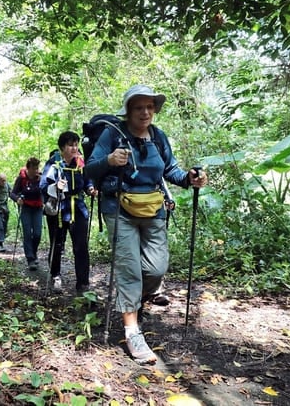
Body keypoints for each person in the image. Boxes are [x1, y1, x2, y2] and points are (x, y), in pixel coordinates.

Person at [85, 84, 208, 365]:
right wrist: (108, 160)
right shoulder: (112, 135)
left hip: (153, 208)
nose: (145, 112)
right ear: (128, 111)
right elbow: (90, 168)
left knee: (156, 269)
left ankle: (135, 302)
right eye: (139, 107)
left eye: (150, 107)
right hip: (119, 208)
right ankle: (132, 330)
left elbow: (171, 170)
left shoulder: (159, 137)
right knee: (129, 269)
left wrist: (190, 179)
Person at [41, 132, 98, 293]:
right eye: (71, 145)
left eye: (76, 144)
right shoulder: (54, 164)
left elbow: (88, 180)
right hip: (59, 208)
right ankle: (55, 276)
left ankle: (83, 283)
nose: (75, 148)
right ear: (62, 147)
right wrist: (55, 187)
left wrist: (91, 189)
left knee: (81, 246)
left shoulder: (80, 162)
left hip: (78, 209)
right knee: (57, 244)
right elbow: (43, 185)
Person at [10, 158, 44, 269]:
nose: (36, 170)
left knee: (38, 234)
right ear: (28, 168)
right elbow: (12, 193)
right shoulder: (21, 179)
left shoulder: (41, 177)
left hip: (38, 208)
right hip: (26, 208)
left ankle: (33, 253)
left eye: (37, 168)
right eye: (34, 168)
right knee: (27, 234)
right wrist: (17, 199)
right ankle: (30, 259)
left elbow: (47, 189)